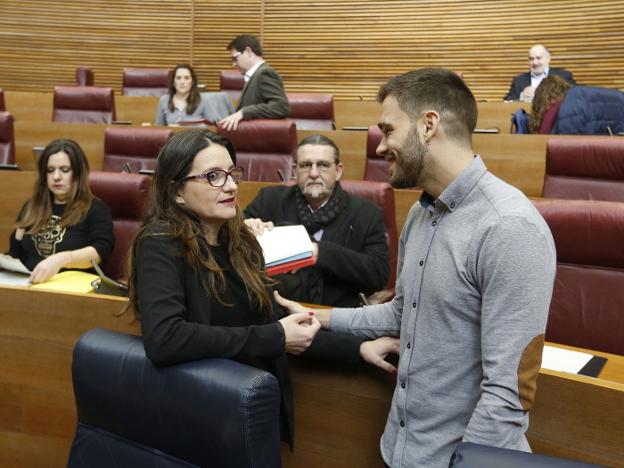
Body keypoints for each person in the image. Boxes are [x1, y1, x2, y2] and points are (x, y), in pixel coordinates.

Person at [276, 68, 557, 467]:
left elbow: (507, 395)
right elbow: (400, 311)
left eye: (388, 130)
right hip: (398, 451)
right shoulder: (420, 215)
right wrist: (318, 318)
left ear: (428, 125)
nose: (379, 147)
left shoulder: (510, 226)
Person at [124, 129, 369, 447]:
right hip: (200, 414)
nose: (230, 185)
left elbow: (277, 326)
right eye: (213, 176)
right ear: (176, 192)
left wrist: (358, 349)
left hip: (253, 409)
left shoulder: (243, 242)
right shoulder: (160, 242)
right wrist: (276, 336)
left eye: (231, 173)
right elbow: (166, 339)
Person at [244, 134, 390, 307]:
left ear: (338, 171)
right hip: (275, 312)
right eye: (306, 166)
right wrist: (245, 231)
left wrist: (318, 252)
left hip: (335, 317)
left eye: (323, 165)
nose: (313, 173)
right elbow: (233, 252)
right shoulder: (268, 200)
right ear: (294, 171)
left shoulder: (366, 213)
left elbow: (378, 275)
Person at [7, 139, 114, 283]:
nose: (56, 177)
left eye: (64, 170)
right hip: (29, 285)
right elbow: (16, 253)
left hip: (72, 290)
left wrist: (63, 259)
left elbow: (101, 251)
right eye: (50, 170)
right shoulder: (32, 206)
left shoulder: (96, 209)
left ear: (78, 173)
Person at [219, 34, 290, 131]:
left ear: (248, 51)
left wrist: (243, 112)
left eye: (235, 58)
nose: (234, 64)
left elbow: (281, 107)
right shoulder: (255, 75)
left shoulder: (264, 73)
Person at [155, 64, 234, 126]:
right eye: (178, 78)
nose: (182, 82)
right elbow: (159, 130)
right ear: (173, 82)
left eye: (186, 78)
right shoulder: (164, 100)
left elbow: (214, 127)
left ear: (192, 82)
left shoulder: (204, 100)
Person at [504, 44, 575, 102]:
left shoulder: (563, 76)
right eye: (531, 59)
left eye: (538, 58)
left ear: (548, 58)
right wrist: (521, 97)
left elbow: (575, 98)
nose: (535, 62)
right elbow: (506, 102)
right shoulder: (519, 81)